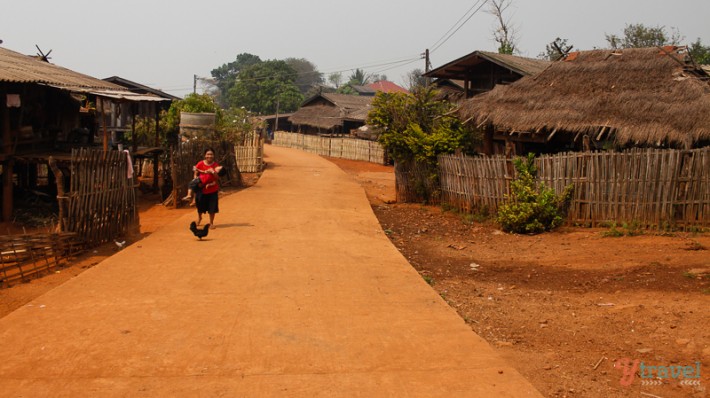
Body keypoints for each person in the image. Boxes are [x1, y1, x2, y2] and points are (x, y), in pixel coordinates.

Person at [193, 148, 223, 228]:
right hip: (201, 188)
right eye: (208, 154)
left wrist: (213, 172)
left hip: (212, 189)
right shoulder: (200, 164)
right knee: (199, 205)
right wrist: (197, 182)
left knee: (212, 207)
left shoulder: (216, 165)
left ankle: (211, 223)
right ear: (205, 155)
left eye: (211, 154)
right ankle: (199, 218)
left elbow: (217, 178)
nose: (209, 156)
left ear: (214, 155)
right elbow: (195, 173)